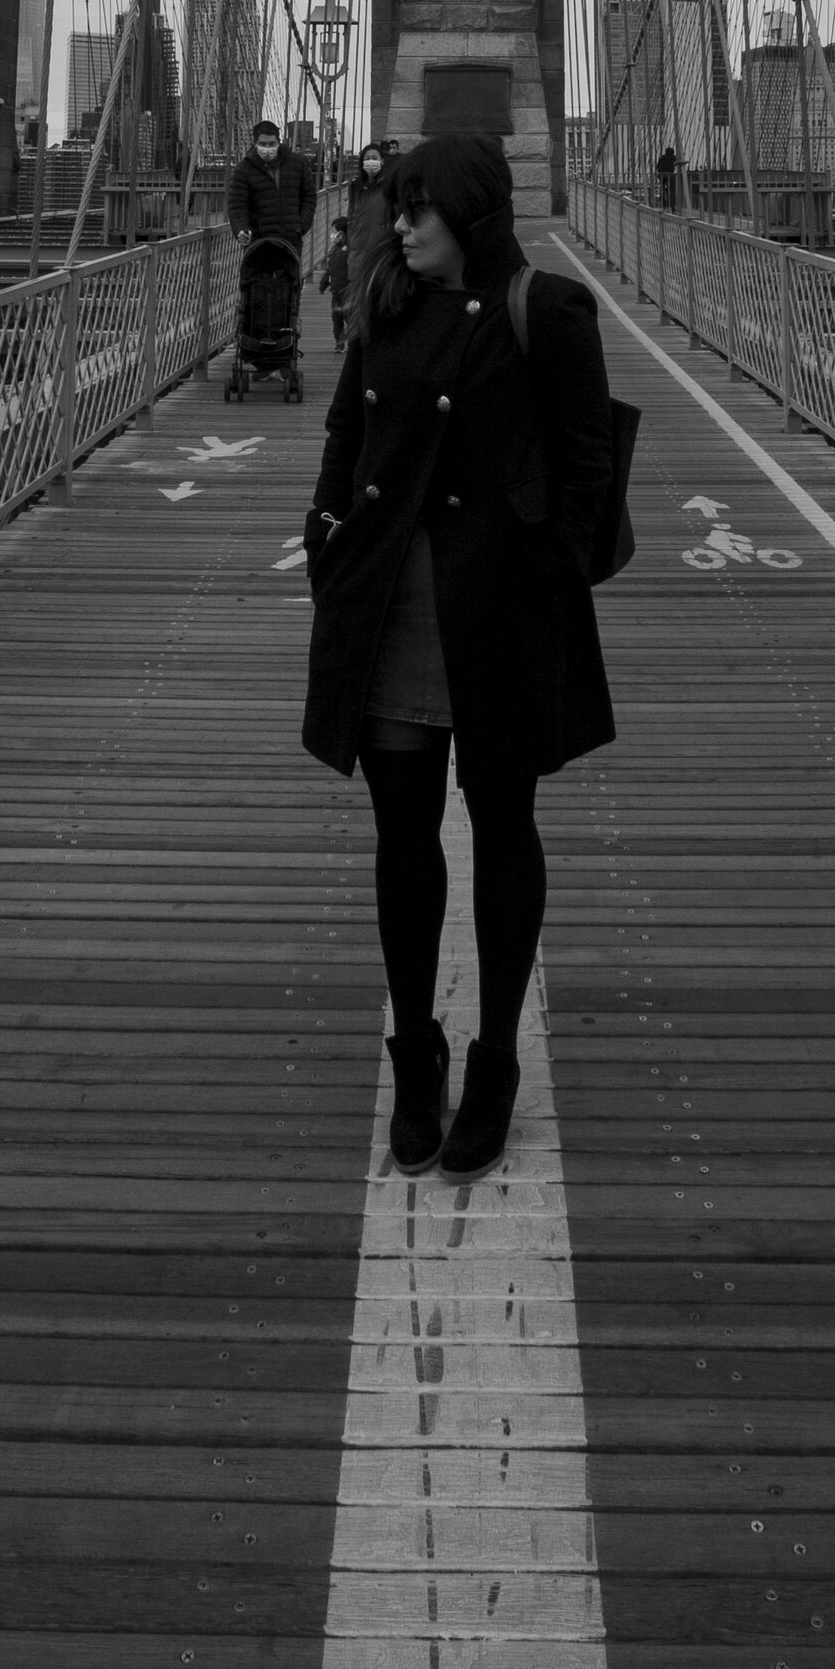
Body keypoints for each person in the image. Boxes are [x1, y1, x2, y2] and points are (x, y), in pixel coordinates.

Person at [301, 133, 615, 1179]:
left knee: (502, 824)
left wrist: (550, 576)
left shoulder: (549, 311)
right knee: (402, 837)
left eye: (417, 208)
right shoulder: (383, 302)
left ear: (469, 214)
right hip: (391, 604)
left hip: (498, 612)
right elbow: (347, 430)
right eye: (396, 206)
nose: (399, 224)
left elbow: (583, 468)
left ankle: (491, 1066)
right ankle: (415, 1054)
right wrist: (327, 535)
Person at [228, 116, 314, 249]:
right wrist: (241, 229)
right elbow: (237, 205)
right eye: (263, 144)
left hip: (290, 240)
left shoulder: (298, 164)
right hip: (257, 242)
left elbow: (309, 195)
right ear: (255, 143)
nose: (268, 148)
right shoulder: (243, 169)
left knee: (290, 270)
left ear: (278, 142)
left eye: (272, 144)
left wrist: (302, 225)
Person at [343, 137, 395, 306]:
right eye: (367, 158)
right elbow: (351, 216)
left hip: (380, 246)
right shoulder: (355, 187)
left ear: (382, 161)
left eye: (374, 158)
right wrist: (350, 237)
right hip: (358, 247)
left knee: (378, 294)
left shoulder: (389, 187)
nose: (371, 162)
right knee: (356, 297)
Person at [322, 212, 354, 347]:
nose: (332, 235)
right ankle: (339, 341)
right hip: (336, 291)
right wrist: (324, 282)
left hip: (348, 291)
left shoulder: (351, 251)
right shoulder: (334, 251)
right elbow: (330, 269)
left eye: (334, 232)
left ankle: (354, 341)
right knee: (336, 318)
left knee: (349, 316)